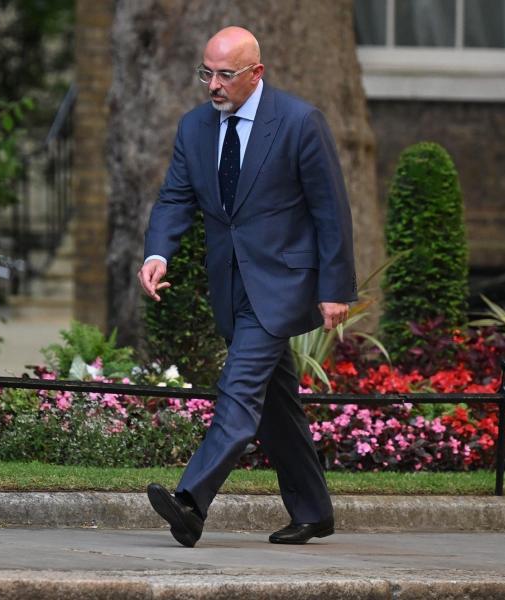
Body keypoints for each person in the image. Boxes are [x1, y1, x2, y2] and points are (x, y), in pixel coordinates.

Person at [137, 26, 357, 547]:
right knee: (276, 402)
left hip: (281, 285)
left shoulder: (300, 122)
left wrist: (336, 288)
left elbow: (331, 211)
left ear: (256, 73)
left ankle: (191, 502)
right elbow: (174, 199)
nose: (213, 85)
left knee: (237, 392)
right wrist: (157, 252)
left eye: (224, 75)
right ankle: (313, 510)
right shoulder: (194, 128)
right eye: (206, 73)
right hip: (231, 286)